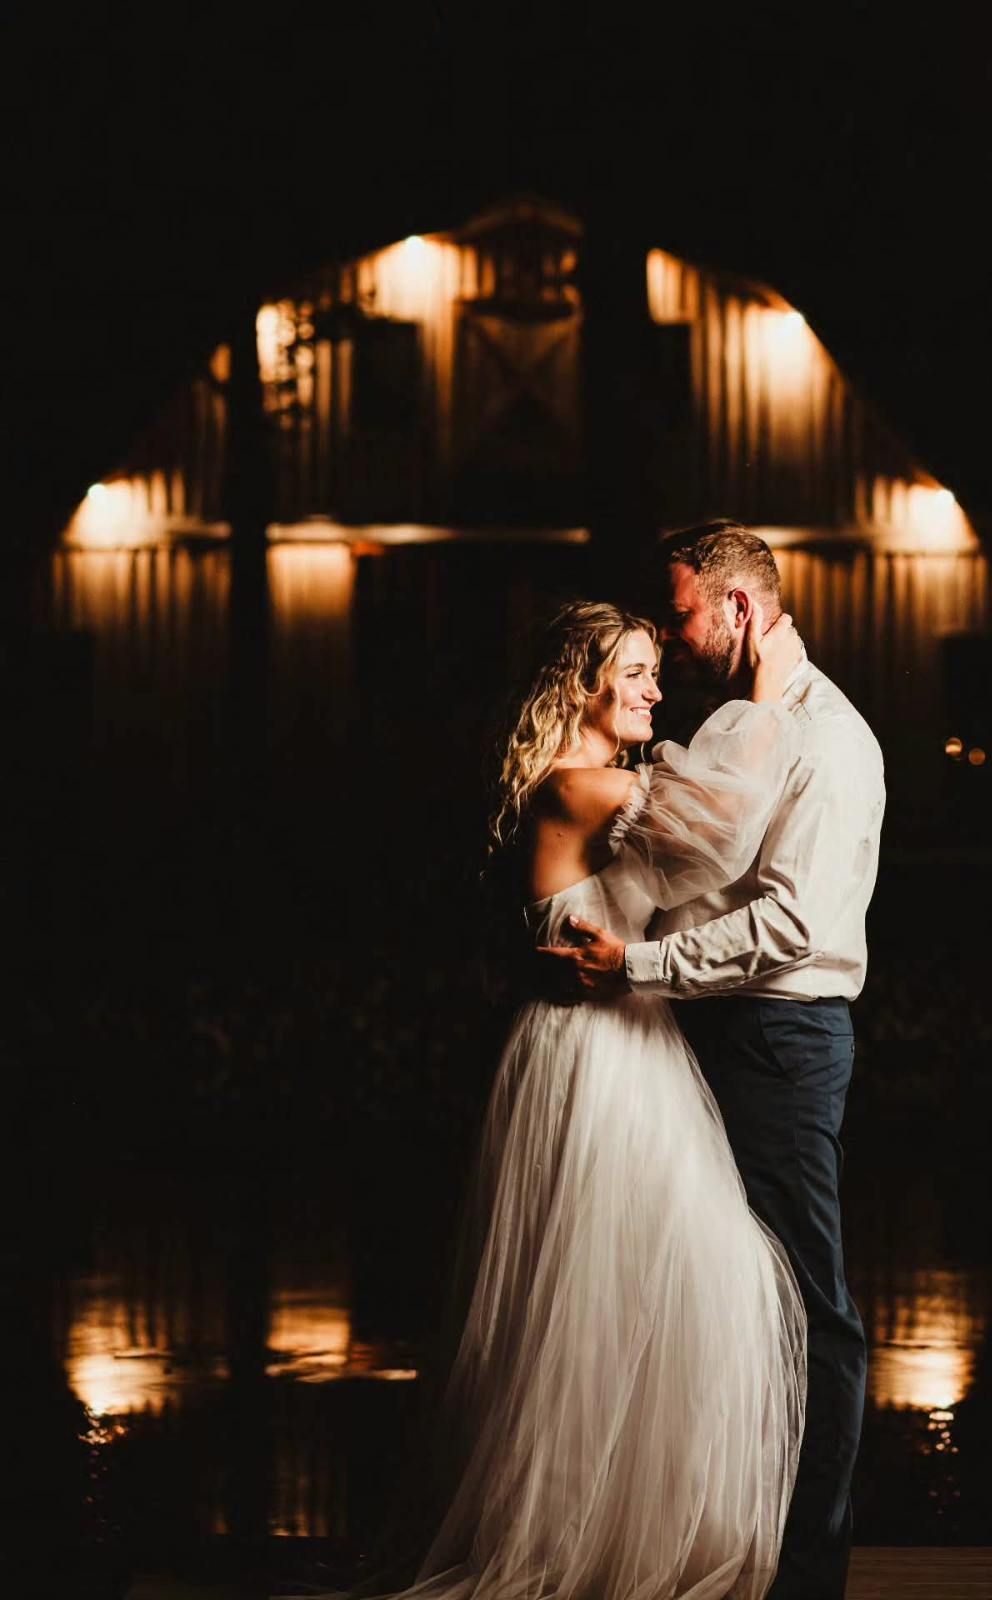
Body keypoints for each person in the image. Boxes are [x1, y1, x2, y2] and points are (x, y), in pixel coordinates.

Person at [368, 598, 808, 1600]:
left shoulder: (580, 782)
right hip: (597, 1057)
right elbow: (729, 828)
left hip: (615, 1043)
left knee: (644, 1285)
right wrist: (770, 694)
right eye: (639, 670)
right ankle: (593, 1536)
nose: (659, 687)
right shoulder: (581, 787)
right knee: (613, 1291)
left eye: (659, 665)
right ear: (585, 686)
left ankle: (622, 1525)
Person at [540, 523, 886, 1600]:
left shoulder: (825, 739)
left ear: (737, 608)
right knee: (718, 1296)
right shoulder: (745, 726)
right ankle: (715, 1531)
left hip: (784, 1035)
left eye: (683, 615)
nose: (677, 642)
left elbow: (786, 924)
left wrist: (638, 960)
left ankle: (805, 1568)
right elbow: (692, 850)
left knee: (809, 1302)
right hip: (710, 1028)